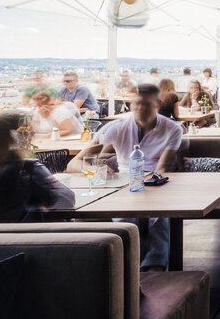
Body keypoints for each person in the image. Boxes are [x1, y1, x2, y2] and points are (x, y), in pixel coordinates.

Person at [71, 84, 181, 271]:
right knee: (124, 215)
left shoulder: (172, 129)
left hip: (155, 180)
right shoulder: (116, 127)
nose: (139, 108)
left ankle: (155, 266)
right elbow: (74, 164)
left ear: (158, 104)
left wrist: (150, 186)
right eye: (136, 104)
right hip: (121, 182)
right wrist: (95, 172)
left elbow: (162, 167)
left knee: (160, 213)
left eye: (146, 104)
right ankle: (127, 265)